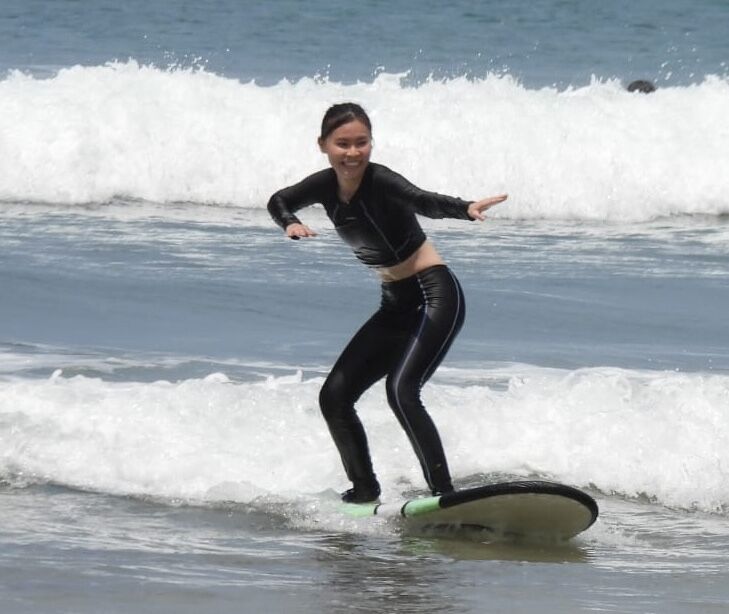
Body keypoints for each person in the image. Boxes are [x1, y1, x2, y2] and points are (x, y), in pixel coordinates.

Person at [267, 103, 507, 503]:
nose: (352, 152)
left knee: (402, 390)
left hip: (435, 293)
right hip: (395, 304)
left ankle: (444, 494)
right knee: (335, 398)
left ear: (371, 144)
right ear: (323, 145)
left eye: (361, 143)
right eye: (342, 144)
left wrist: (464, 209)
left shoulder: (382, 181)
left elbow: (422, 200)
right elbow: (279, 199)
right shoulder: (324, 186)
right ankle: (364, 490)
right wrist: (289, 222)